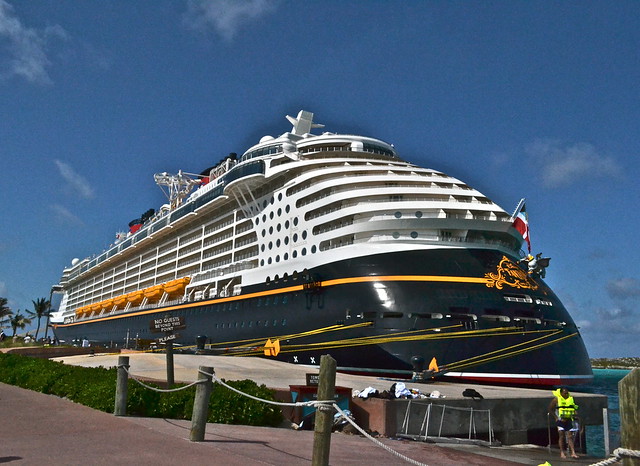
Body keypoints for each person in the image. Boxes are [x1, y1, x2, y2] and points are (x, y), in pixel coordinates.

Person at [548, 387, 579, 459]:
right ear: (561, 393)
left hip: (569, 419)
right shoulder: (556, 399)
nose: (566, 394)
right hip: (560, 420)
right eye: (565, 393)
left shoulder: (570, 399)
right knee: (561, 435)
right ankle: (562, 452)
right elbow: (550, 409)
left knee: (570, 436)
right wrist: (555, 417)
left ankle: (573, 452)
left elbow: (573, 408)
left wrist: (576, 414)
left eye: (567, 393)